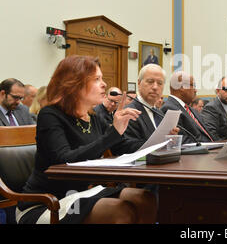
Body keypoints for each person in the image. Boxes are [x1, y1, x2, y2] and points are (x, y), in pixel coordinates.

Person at [16, 55, 157, 224]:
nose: (104, 84)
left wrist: (156, 144)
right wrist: (114, 132)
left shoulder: (93, 117)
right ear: (74, 83)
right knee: (120, 212)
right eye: (97, 79)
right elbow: (64, 161)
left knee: (144, 198)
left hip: (81, 194)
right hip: (47, 203)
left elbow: (122, 145)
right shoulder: (50, 115)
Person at [111, 64, 178, 155]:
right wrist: (160, 144)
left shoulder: (160, 113)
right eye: (150, 82)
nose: (155, 87)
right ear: (139, 83)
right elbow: (124, 147)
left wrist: (169, 139)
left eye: (160, 83)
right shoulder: (129, 112)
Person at [160, 71, 214, 144]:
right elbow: (182, 141)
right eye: (193, 85)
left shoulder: (190, 109)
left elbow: (207, 134)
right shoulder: (169, 108)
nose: (195, 90)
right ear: (182, 87)